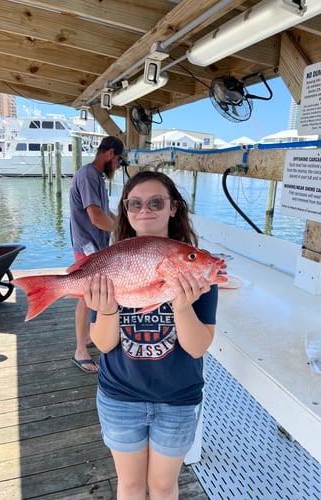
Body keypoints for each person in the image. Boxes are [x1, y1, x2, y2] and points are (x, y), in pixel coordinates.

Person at [83, 170, 219, 499]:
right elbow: (102, 343)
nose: (145, 210)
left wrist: (183, 307)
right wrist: (106, 308)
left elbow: (198, 347)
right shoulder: (113, 261)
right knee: (129, 485)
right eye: (135, 204)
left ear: (174, 207)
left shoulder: (198, 269)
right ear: (126, 211)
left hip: (177, 399)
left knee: (162, 486)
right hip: (119, 396)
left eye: (156, 202)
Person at [69, 136, 125, 374]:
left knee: (97, 292)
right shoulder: (88, 175)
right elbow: (96, 218)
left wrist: (125, 227)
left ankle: (91, 335)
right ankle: (80, 350)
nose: (119, 165)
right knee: (85, 296)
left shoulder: (97, 177)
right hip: (87, 247)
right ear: (111, 153)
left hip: (96, 246)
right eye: (119, 160)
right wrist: (123, 233)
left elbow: (106, 212)